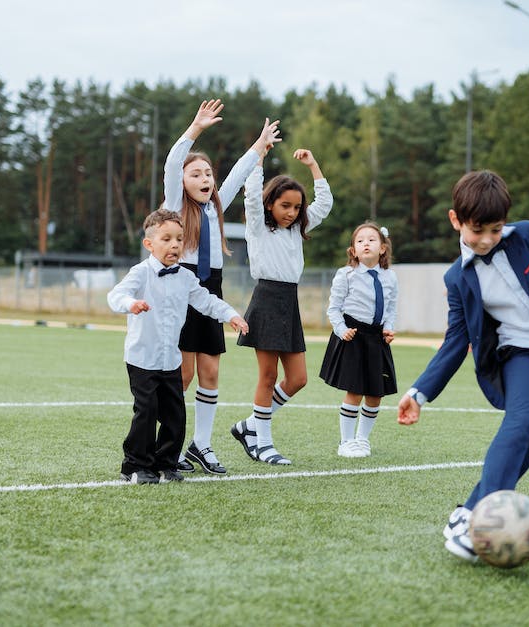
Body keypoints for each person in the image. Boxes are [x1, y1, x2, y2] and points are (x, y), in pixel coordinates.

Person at [396, 170, 529, 561]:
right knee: (521, 419)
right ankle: (484, 521)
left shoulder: (526, 236)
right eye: (478, 229)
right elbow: (454, 342)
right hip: (518, 353)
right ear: (455, 220)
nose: (487, 239)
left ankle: (466, 512)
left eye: (495, 230)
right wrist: (419, 392)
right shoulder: (456, 279)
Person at [162, 99, 280, 475]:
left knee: (210, 373)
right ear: (181, 181)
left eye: (207, 173)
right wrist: (194, 129)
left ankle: (202, 444)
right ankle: (171, 446)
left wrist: (259, 147)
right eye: (195, 173)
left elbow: (237, 176)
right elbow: (170, 164)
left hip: (211, 289)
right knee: (182, 375)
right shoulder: (175, 203)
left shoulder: (215, 205)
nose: (205, 179)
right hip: (181, 289)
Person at [108, 209, 247, 484]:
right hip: (142, 359)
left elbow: (206, 301)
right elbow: (116, 295)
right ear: (149, 244)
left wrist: (231, 314)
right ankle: (135, 466)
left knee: (175, 415)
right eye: (167, 239)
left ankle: (166, 463)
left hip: (171, 360)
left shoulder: (185, 277)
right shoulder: (141, 273)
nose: (174, 245)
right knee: (146, 413)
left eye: (179, 239)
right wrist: (131, 304)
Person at [230, 147, 334, 465]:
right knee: (267, 376)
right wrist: (259, 157)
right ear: (270, 203)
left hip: (289, 302)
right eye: (284, 205)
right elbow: (250, 196)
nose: (290, 212)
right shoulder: (258, 228)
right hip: (266, 299)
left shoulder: (297, 230)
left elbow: (325, 205)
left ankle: (250, 425)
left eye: (296, 207)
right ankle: (263, 443)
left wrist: (314, 165)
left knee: (298, 378)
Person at [319, 222, 398, 458]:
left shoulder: (391, 277)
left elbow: (391, 308)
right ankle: (346, 441)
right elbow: (333, 308)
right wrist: (341, 329)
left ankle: (362, 440)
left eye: (372, 240)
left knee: (375, 393)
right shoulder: (346, 275)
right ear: (353, 250)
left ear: (383, 248)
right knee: (354, 391)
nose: (366, 243)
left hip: (377, 338)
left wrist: (389, 328)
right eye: (360, 240)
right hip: (353, 336)